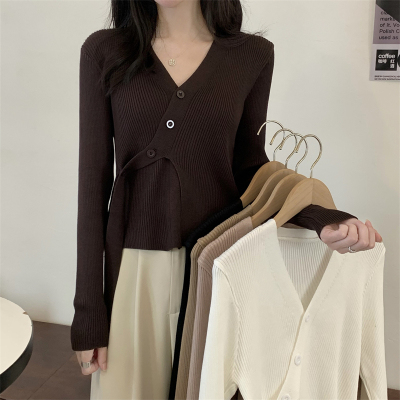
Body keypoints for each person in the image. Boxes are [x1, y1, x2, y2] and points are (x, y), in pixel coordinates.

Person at [71, 0, 383, 399]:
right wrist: (89, 315)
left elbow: (252, 170)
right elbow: (92, 185)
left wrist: (321, 217)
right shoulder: (104, 51)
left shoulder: (252, 56)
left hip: (218, 266)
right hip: (135, 273)